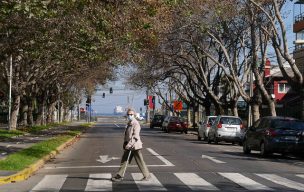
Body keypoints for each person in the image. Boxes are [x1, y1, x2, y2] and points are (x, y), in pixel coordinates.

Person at [111, 109, 151, 182]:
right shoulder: (129, 123)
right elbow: (127, 135)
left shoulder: (136, 123)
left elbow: (135, 136)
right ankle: (119, 175)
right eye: (129, 114)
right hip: (129, 145)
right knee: (124, 160)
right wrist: (125, 143)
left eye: (131, 114)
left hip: (134, 146)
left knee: (140, 161)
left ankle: (147, 175)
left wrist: (129, 145)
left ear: (134, 115)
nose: (130, 116)